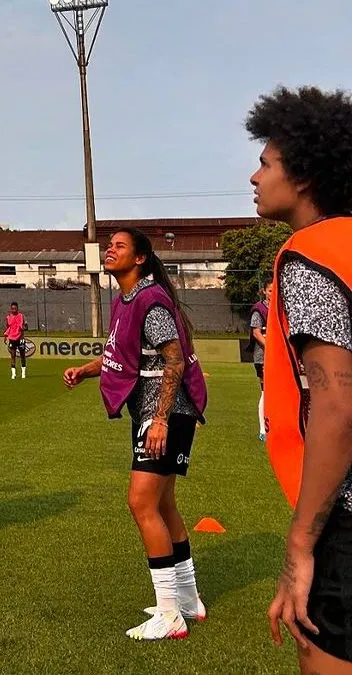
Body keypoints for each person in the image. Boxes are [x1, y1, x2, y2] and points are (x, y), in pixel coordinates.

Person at [245, 86, 352, 674]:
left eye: (266, 162)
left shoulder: (312, 254)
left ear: (305, 173)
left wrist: (301, 545)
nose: (254, 176)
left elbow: (337, 403)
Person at [63, 228, 208, 641]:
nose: (109, 250)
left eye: (119, 246)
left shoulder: (150, 299)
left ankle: (169, 615)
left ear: (141, 258)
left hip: (164, 414)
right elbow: (120, 356)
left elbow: (175, 362)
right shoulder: (125, 300)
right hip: (153, 413)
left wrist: (159, 418)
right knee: (163, 505)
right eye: (109, 245)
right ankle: (188, 600)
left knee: (140, 502)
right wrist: (86, 371)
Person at [249, 280, 273, 441]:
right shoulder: (259, 309)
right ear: (264, 291)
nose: (273, 293)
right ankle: (263, 430)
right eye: (270, 290)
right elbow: (256, 333)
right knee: (266, 391)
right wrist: (271, 348)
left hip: (278, 358)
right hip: (263, 357)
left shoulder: (280, 307)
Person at [4, 301, 28, 380]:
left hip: (20, 338)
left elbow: (25, 327)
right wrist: (5, 336)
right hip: (12, 338)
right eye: (12, 309)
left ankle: (23, 373)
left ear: (17, 308)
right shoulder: (8, 317)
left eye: (15, 308)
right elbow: (8, 327)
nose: (13, 310)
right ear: (11, 309)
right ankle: (13, 374)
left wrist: (24, 327)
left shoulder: (21, 316)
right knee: (13, 356)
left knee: (22, 356)